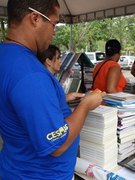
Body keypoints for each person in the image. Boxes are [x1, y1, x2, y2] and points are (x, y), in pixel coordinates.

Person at [0, 1, 105, 179]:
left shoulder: (5, 55)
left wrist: (60, 99)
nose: (54, 32)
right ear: (35, 18)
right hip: (40, 174)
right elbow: (57, 144)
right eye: (54, 23)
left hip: (14, 166)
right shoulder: (30, 73)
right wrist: (85, 105)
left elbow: (20, 104)